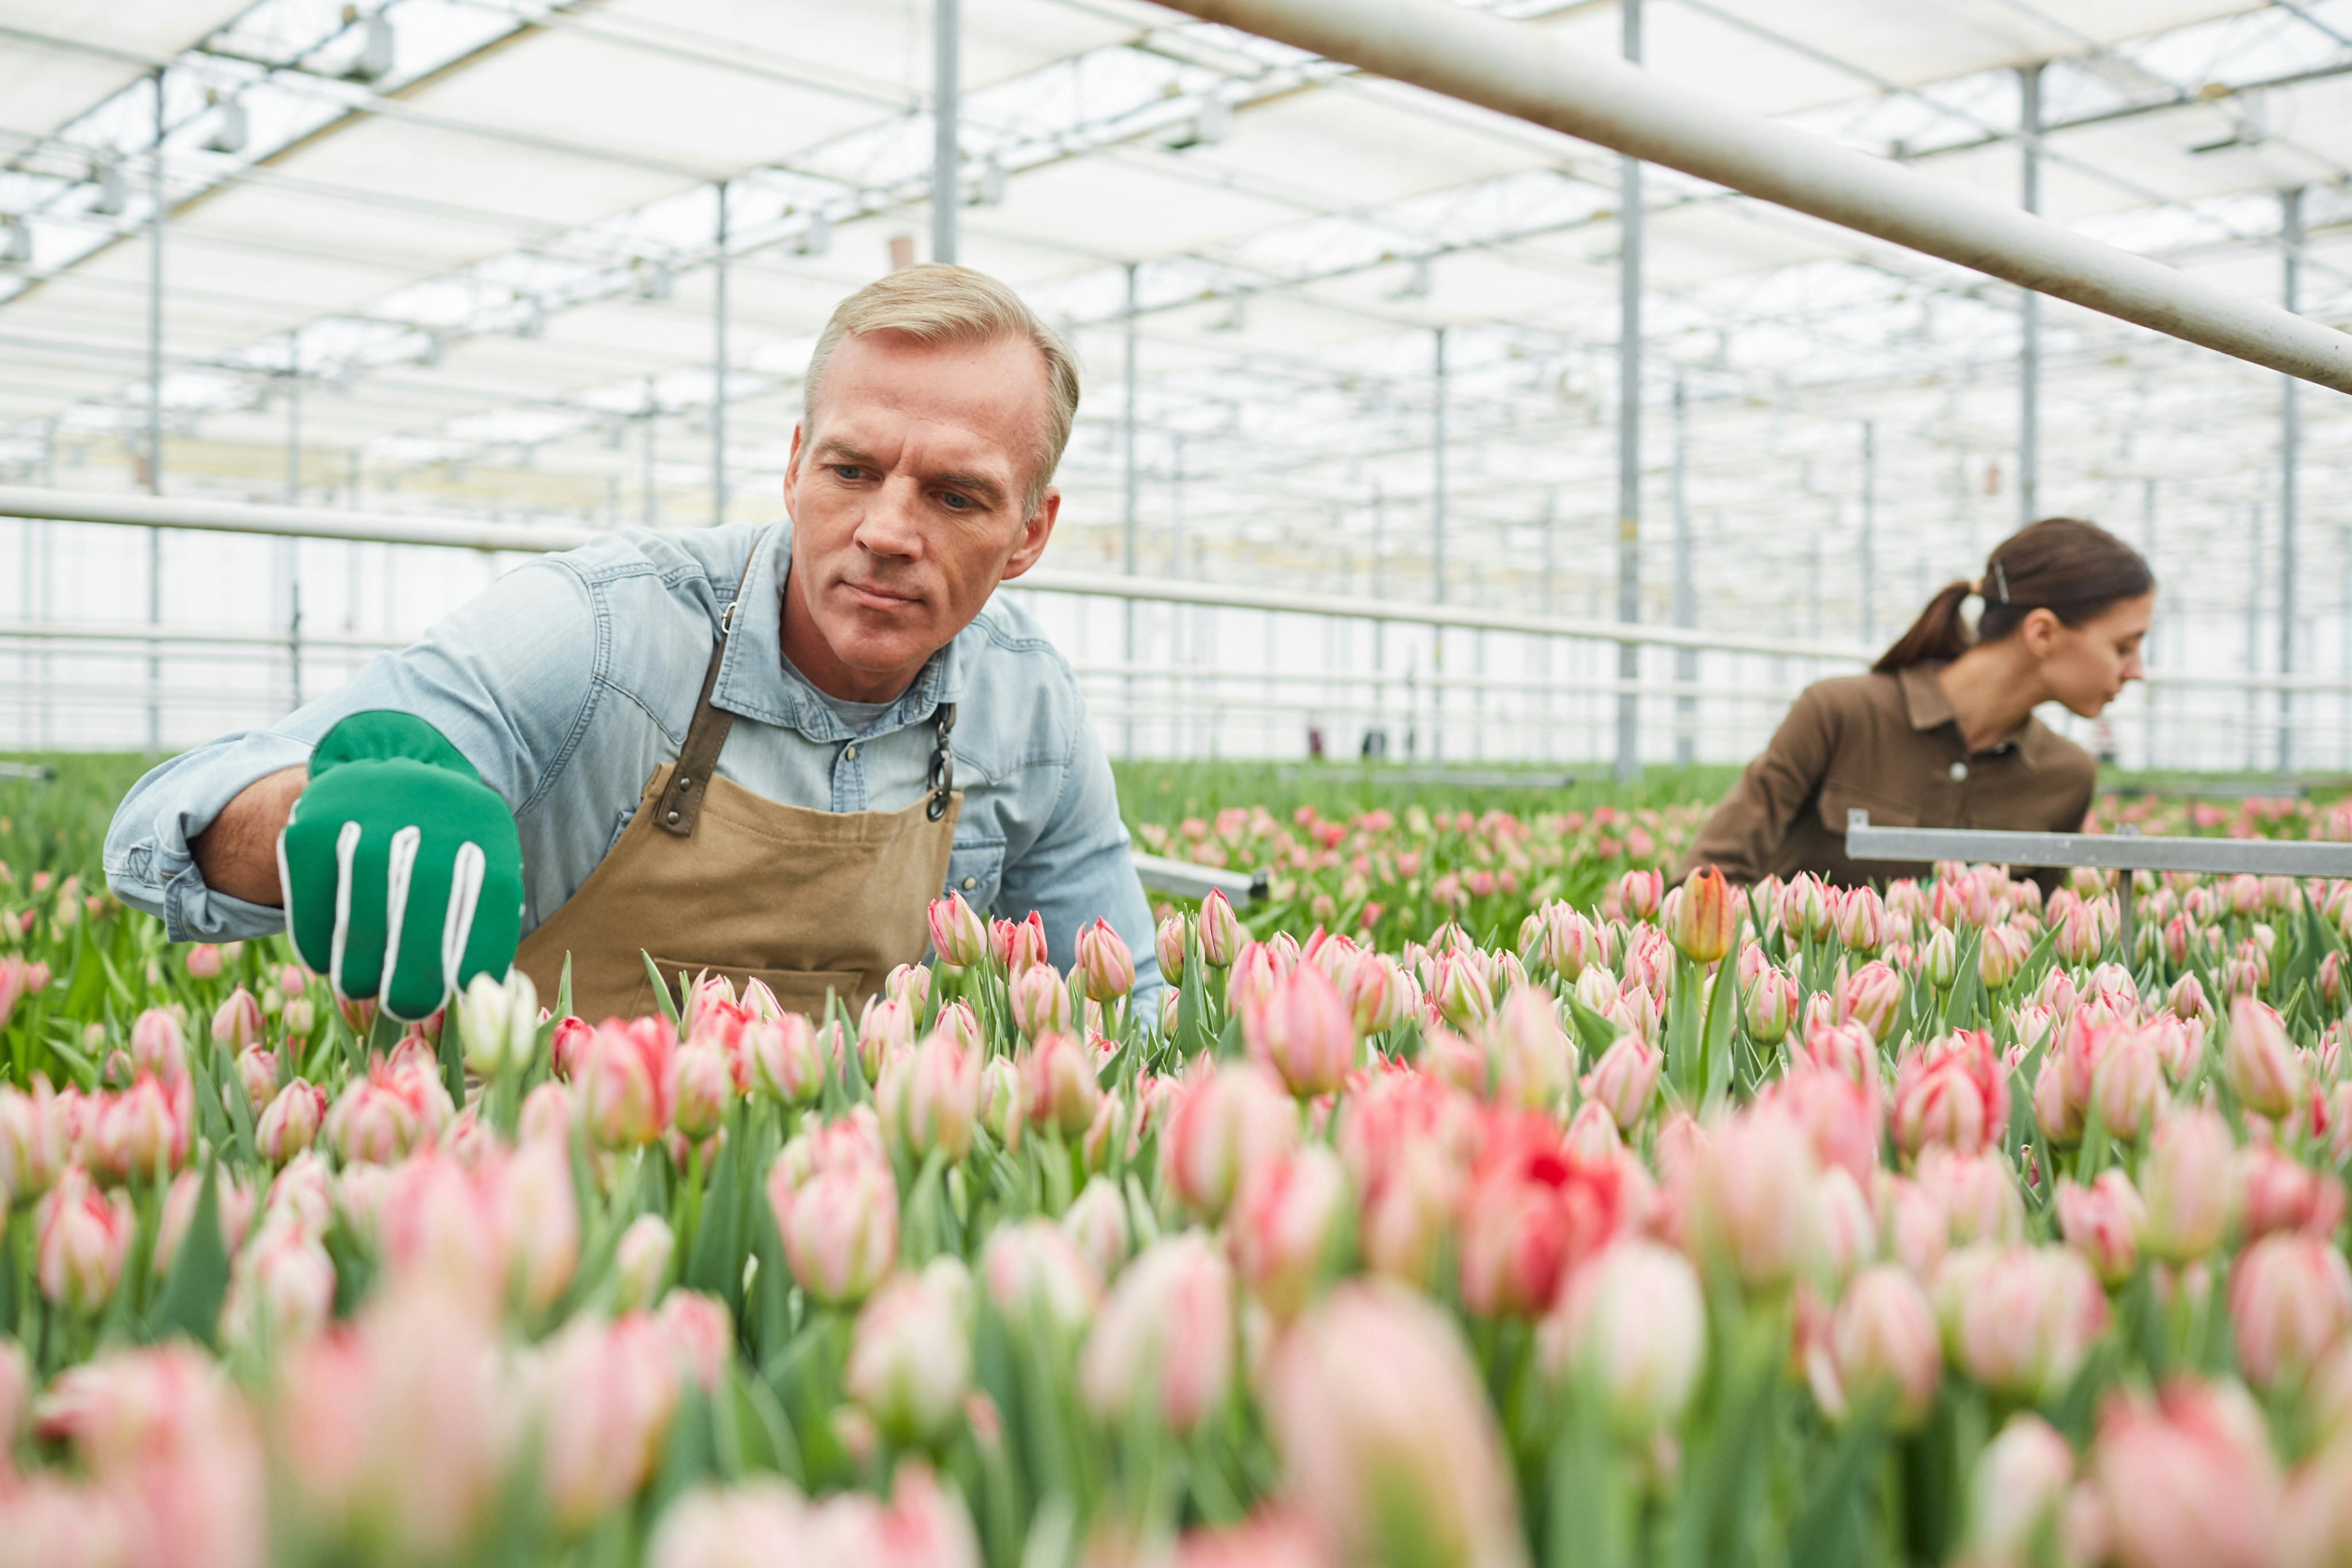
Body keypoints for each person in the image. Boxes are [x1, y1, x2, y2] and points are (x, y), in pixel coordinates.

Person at [105, 265, 1160, 1021]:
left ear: (1030, 532)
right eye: (850, 470)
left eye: (956, 493)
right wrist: (310, 814)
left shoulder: (1027, 709)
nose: (887, 530)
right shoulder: (600, 632)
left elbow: (1128, 1008)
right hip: (519, 1208)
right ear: (794, 466)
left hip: (848, 1219)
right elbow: (158, 828)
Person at [1678, 517, 2153, 889]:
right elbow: (1703, 883)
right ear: (2043, 633)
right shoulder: (1841, 714)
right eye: (2124, 646)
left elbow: (2034, 949)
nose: (2137, 670)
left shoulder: (2066, 775)